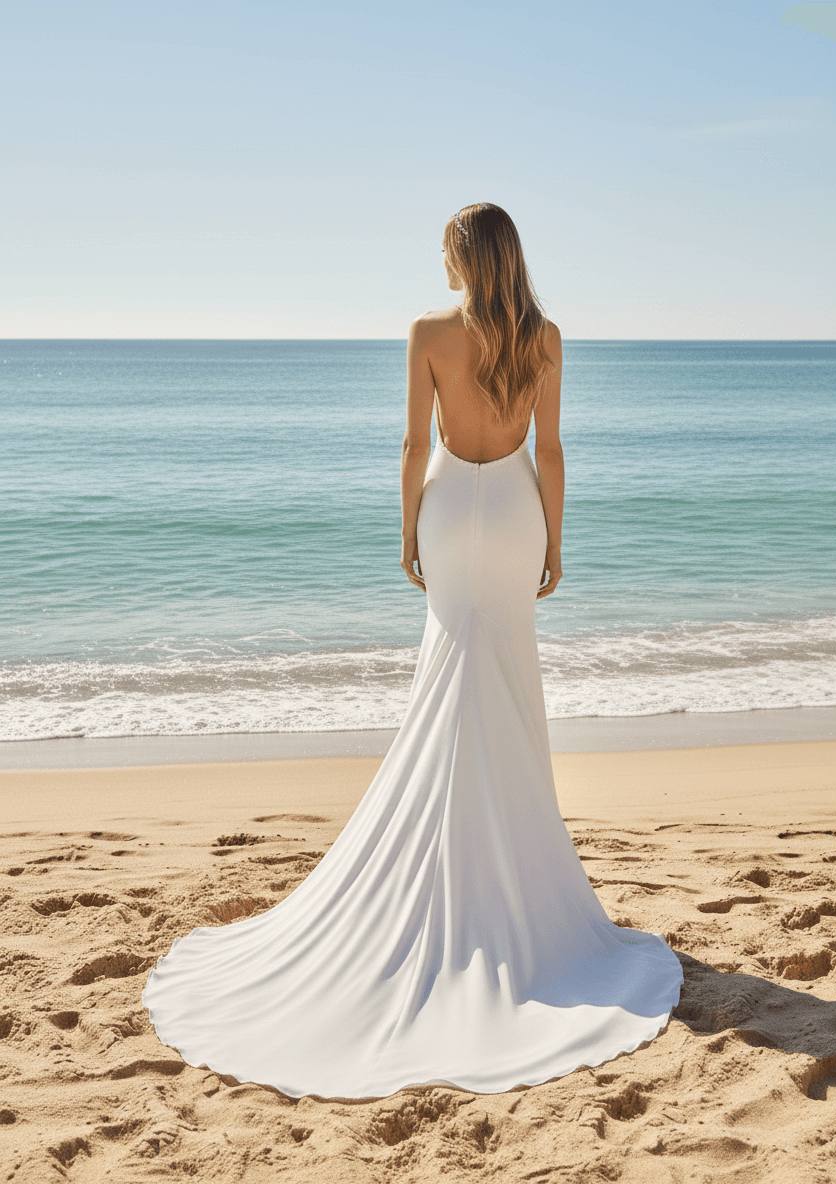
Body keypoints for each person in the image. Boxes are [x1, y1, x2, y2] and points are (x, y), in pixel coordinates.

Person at [142, 203, 683, 1099]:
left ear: (466, 256)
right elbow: (549, 448)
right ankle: (510, 878)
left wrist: (406, 530)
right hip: (512, 512)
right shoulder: (542, 336)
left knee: (453, 675)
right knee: (501, 679)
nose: (438, 257)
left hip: (449, 508)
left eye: (445, 246)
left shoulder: (429, 331)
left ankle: (450, 868)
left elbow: (411, 443)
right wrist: (555, 538)